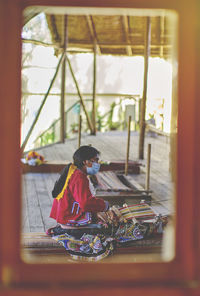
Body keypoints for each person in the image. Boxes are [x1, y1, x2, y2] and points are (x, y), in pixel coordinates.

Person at [49, 145, 110, 232]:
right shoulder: (79, 177)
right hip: (69, 221)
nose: (97, 164)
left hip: (64, 218)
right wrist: (104, 205)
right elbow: (85, 203)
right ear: (85, 162)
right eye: (95, 160)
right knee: (104, 229)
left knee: (98, 218)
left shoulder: (73, 171)